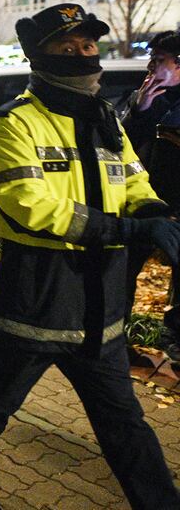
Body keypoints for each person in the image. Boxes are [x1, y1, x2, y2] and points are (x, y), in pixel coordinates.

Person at [0, 3, 180, 510]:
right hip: (32, 303)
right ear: (39, 57)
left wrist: (154, 212)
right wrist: (131, 229)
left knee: (126, 427)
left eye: (89, 45)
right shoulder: (12, 124)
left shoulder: (106, 119)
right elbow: (32, 207)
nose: (83, 55)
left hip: (101, 307)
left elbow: (132, 177)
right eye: (67, 48)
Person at [121, 30, 180, 357]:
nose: (150, 66)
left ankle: (173, 341)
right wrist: (139, 109)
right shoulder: (142, 97)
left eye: (158, 60)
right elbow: (118, 143)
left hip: (177, 203)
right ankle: (117, 338)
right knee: (125, 270)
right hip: (142, 203)